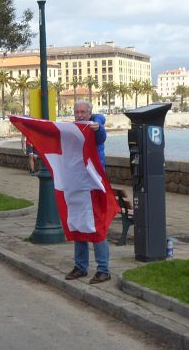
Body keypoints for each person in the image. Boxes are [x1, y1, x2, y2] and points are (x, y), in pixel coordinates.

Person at [65, 99, 111, 284]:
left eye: (83, 112)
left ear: (90, 113)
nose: (79, 115)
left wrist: (98, 125)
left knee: (97, 225)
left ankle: (103, 269)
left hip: (93, 183)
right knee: (78, 223)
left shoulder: (94, 126)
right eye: (77, 112)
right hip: (77, 182)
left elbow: (101, 134)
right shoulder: (73, 130)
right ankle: (80, 266)